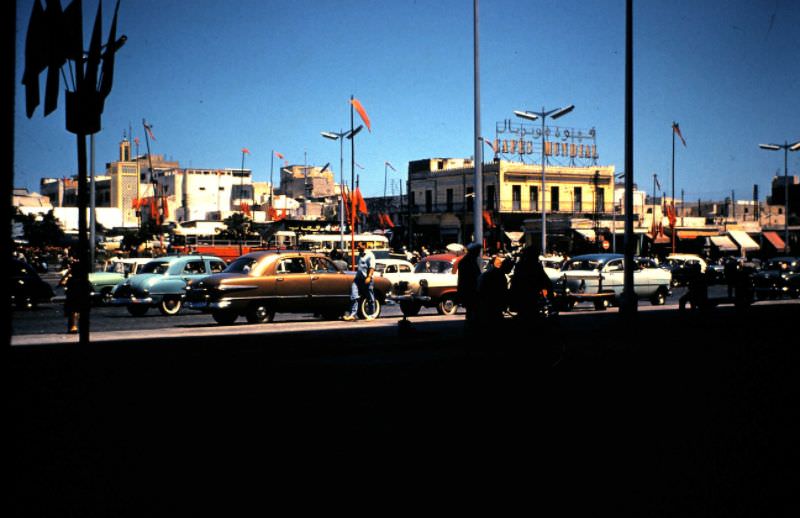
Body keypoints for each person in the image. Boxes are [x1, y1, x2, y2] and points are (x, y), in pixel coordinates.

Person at [509, 245, 553, 319]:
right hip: (531, 297)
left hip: (521, 297)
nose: (538, 257)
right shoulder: (535, 265)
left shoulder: (520, 265)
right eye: (537, 255)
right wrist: (550, 291)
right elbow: (545, 280)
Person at [476, 254, 513, 328]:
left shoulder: (495, 272)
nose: (510, 270)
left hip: (486, 303)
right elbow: (500, 293)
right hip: (490, 304)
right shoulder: (499, 276)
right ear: (506, 266)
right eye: (510, 268)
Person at [343, 242, 376, 321]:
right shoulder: (360, 255)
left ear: (364, 246)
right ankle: (353, 315)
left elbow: (372, 267)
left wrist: (369, 277)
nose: (357, 247)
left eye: (359, 246)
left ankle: (371, 315)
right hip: (358, 279)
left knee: (370, 297)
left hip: (367, 279)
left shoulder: (370, 255)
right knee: (354, 296)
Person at [456, 242, 483, 329]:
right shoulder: (468, 262)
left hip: (469, 290)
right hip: (470, 291)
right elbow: (470, 278)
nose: (479, 253)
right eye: (478, 251)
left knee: (471, 311)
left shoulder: (468, 261)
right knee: (472, 311)